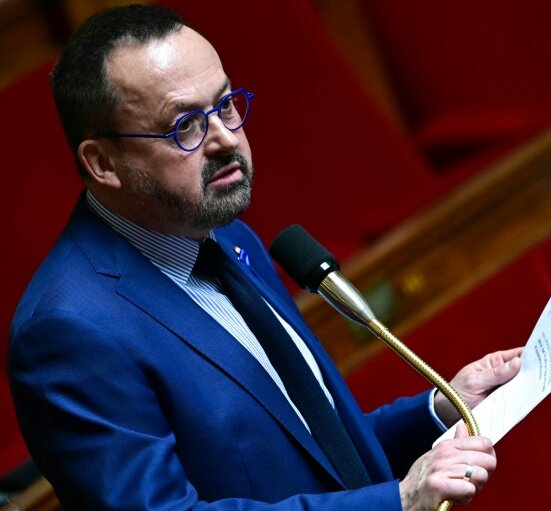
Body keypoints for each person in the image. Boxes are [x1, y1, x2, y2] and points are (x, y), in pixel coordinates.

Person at [8, 5, 523, 510]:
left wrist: (440, 409)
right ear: (103, 162)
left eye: (225, 104)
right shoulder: (68, 332)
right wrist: (400, 499)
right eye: (185, 126)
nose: (225, 138)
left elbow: (313, 456)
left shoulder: (231, 239)